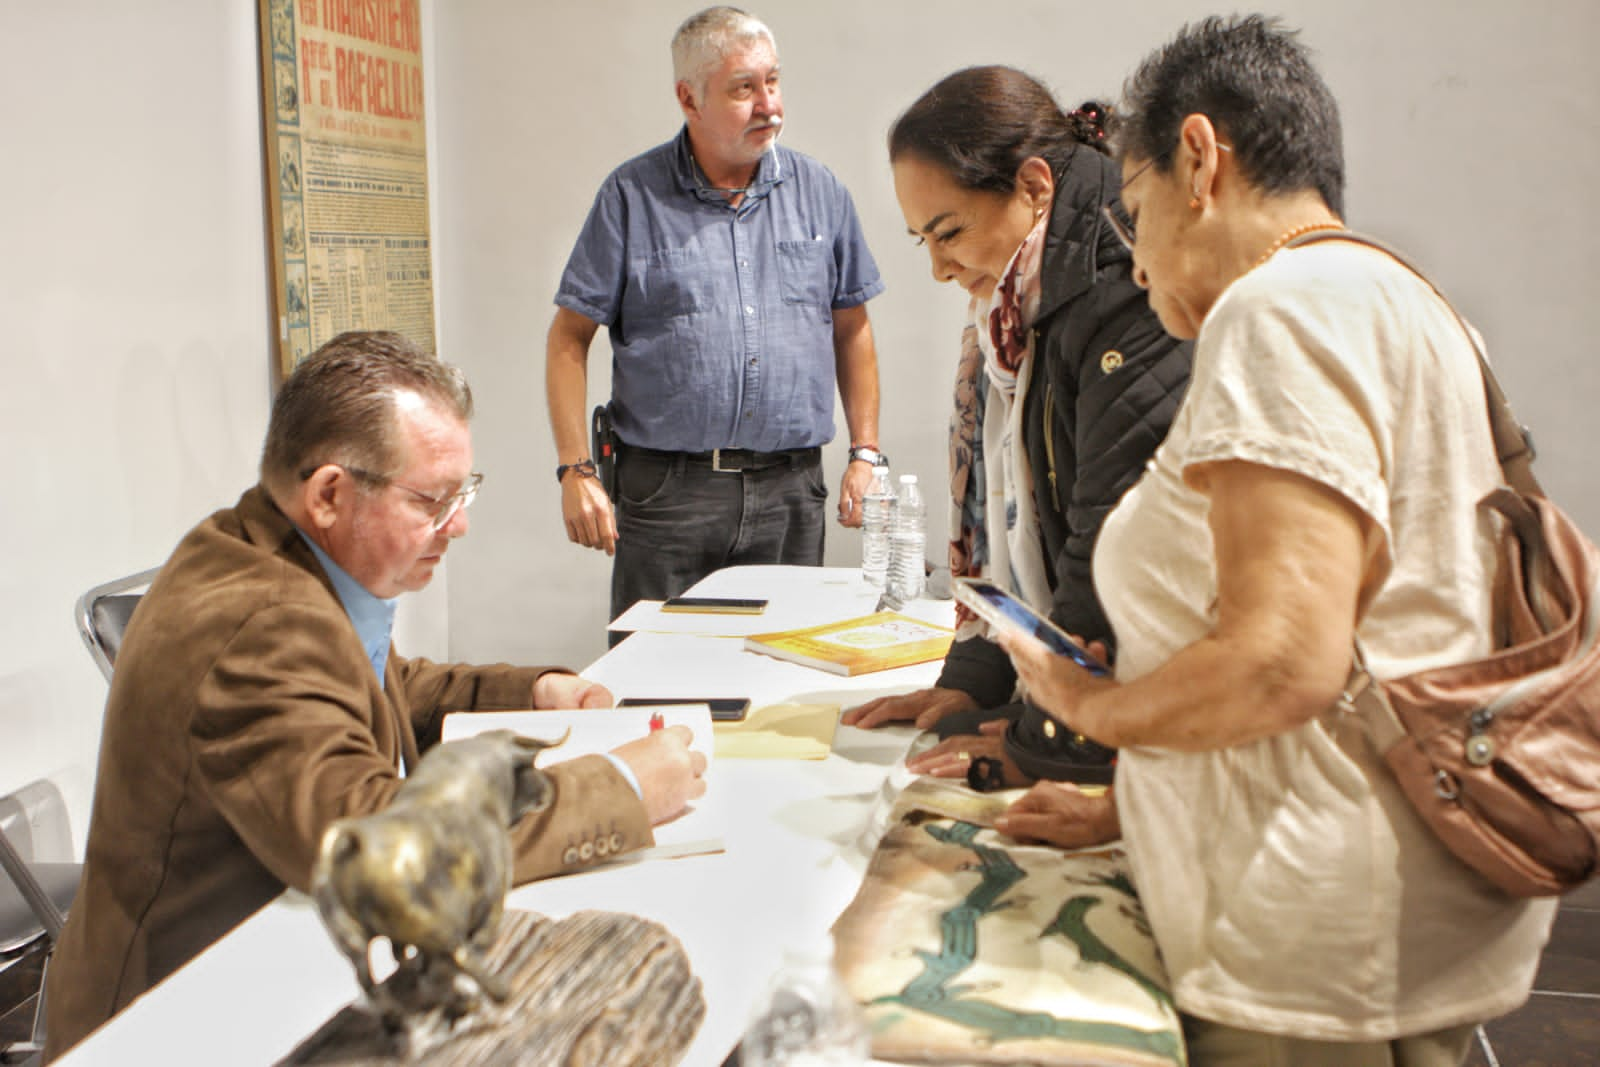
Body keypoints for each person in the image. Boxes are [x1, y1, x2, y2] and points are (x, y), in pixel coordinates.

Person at [992, 16, 1556, 1065]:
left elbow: (1278, 663)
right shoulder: (1408, 302)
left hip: (1304, 940)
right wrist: (1131, 803)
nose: (1136, 258)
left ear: (1200, 160)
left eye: (1134, 209)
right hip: (1401, 889)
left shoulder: (1277, 313)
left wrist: (1092, 707)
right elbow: (1374, 630)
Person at [44, 331, 707, 1060]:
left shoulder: (275, 548)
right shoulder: (261, 621)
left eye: (464, 491)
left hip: (280, 966)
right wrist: (620, 789)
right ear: (329, 492)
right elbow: (380, 852)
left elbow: (384, 687)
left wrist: (534, 690)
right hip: (186, 1024)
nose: (459, 524)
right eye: (434, 499)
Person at [842, 67, 1190, 788]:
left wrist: (1041, 740)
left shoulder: (1123, 287)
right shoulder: (1013, 310)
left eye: (949, 232)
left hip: (1147, 715)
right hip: (1099, 699)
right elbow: (1007, 526)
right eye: (922, 242)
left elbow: (1110, 543)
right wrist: (973, 683)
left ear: (1035, 187)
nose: (939, 268)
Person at [546, 5, 886, 623]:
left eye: (773, 82)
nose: (769, 105)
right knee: (656, 680)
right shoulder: (631, 197)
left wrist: (867, 452)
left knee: (780, 679)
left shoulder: (821, 193)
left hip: (791, 491)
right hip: (669, 494)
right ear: (689, 98)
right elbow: (569, 337)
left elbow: (852, 328)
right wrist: (576, 469)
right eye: (743, 89)